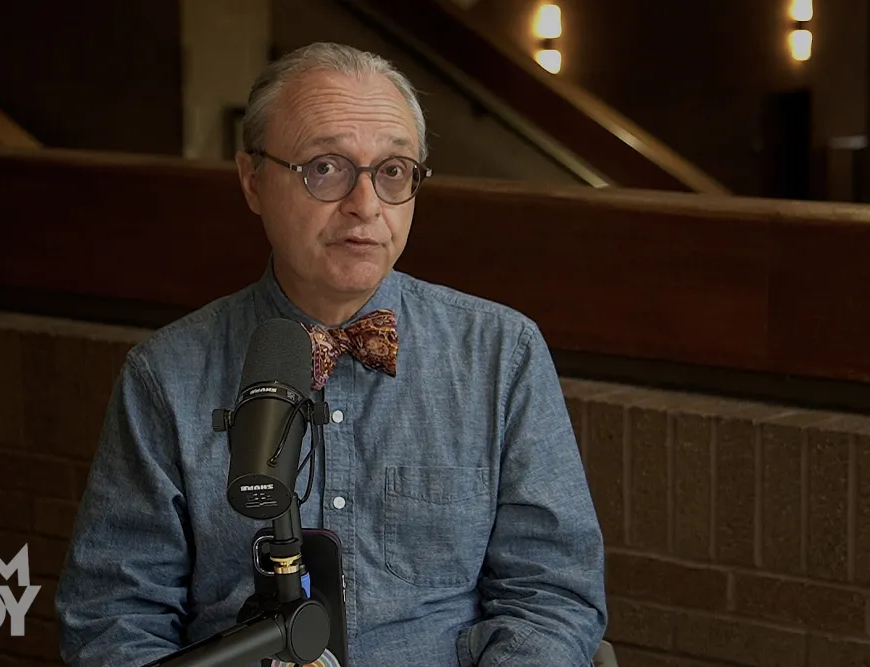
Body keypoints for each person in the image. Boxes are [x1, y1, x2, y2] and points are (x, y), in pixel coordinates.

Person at [55, 41, 608, 666]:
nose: (365, 206)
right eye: (325, 168)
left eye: (393, 171)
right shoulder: (164, 374)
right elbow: (112, 616)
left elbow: (553, 595)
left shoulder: (501, 355)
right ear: (252, 180)